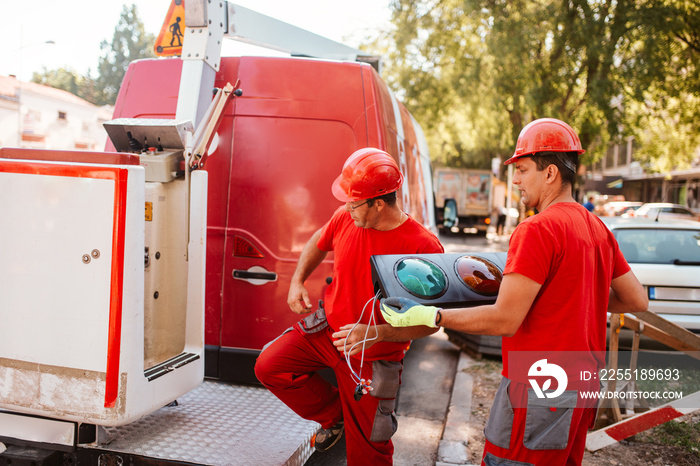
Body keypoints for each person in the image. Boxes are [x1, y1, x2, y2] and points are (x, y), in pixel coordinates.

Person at [380, 118, 648, 465]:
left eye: (521, 169)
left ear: (550, 173)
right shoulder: (595, 226)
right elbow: (636, 299)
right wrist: (575, 297)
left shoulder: (536, 229)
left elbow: (505, 318)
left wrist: (432, 315)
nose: (516, 180)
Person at [254, 147, 444, 465]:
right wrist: (297, 280)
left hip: (374, 356)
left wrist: (378, 332)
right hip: (327, 332)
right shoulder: (347, 217)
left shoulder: (423, 247)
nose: (347, 208)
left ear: (379, 203)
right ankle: (338, 415)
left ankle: (356, 422)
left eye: (354, 202)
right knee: (270, 367)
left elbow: (433, 322)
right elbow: (319, 239)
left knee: (369, 454)